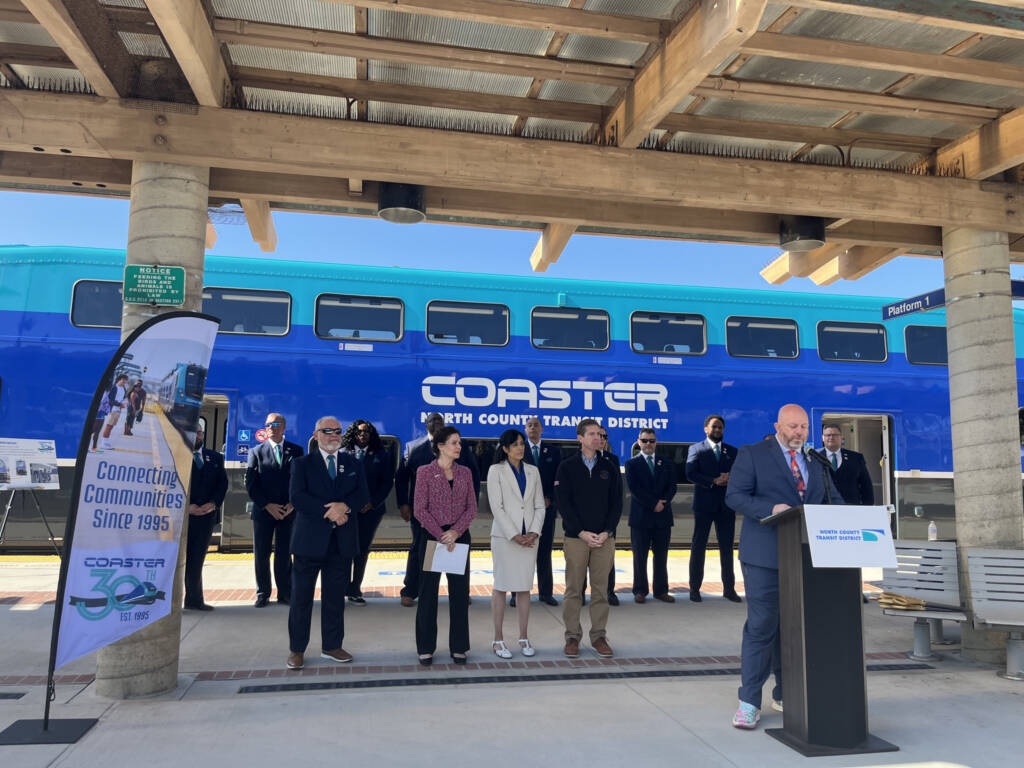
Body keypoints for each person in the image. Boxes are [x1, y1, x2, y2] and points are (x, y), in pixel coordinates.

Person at [725, 404, 841, 730]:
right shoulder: (753, 454)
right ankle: (748, 702)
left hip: (805, 557)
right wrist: (769, 508)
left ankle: (785, 692)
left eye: (804, 427)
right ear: (778, 425)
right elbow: (734, 496)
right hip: (764, 558)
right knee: (763, 627)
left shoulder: (816, 461)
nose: (798, 433)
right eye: (792, 426)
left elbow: (834, 500)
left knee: (793, 628)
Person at [286, 416, 369, 670]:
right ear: (316, 434)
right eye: (327, 431)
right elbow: (297, 497)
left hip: (341, 543)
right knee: (301, 599)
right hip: (308, 543)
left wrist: (345, 506)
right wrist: (329, 511)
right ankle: (297, 649)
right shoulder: (302, 464)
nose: (333, 435)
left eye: (337, 431)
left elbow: (363, 495)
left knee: (335, 598)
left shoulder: (353, 463)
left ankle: (332, 646)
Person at [395, 413, 479, 607]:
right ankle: (410, 590)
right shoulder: (413, 448)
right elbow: (401, 479)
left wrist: (469, 504)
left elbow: (473, 474)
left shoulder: (460, 447)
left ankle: (461, 591)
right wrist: (403, 504)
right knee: (418, 550)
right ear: (426, 425)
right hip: (424, 514)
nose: (436, 424)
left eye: (439, 421)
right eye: (432, 421)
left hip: (457, 516)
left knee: (459, 550)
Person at [557, 418, 622, 659]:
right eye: (592, 434)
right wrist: (582, 532)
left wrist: (606, 532)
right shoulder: (567, 466)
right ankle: (572, 637)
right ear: (580, 438)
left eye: (600, 435)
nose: (598, 438)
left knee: (600, 591)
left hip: (604, 539)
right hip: (576, 538)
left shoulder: (611, 466)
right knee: (574, 590)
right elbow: (564, 504)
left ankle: (599, 636)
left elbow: (617, 504)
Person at [413, 426, 477, 665]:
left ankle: (459, 646)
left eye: (459, 442)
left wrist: (456, 531)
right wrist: (441, 534)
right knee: (428, 594)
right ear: (440, 446)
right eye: (453, 442)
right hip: (433, 539)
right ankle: (425, 647)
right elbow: (420, 509)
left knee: (459, 594)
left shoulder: (466, 473)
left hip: (459, 538)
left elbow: (472, 507)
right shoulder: (424, 472)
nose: (458, 447)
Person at [487, 429, 545, 658]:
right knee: (501, 587)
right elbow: (496, 507)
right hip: (504, 538)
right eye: (515, 444)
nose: (520, 447)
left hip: (530, 540)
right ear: (505, 449)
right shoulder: (496, 471)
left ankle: (523, 637)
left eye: (522, 444)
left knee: (524, 588)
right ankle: (498, 639)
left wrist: (533, 532)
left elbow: (540, 505)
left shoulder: (533, 471)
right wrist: (514, 534)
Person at [245, 412, 303, 608]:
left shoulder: (296, 451)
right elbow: (251, 484)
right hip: (264, 512)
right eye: (268, 424)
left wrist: (292, 504)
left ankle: (285, 593)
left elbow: (301, 482)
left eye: (276, 424)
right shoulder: (256, 452)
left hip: (288, 511)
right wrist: (267, 505)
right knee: (261, 554)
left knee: (284, 554)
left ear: (284, 427)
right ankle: (263, 593)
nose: (271, 427)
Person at [685, 414, 741, 603]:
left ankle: (729, 589)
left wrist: (730, 478)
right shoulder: (696, 449)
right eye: (714, 427)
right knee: (698, 546)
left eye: (720, 428)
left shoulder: (732, 451)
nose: (717, 430)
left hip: (726, 506)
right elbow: (690, 473)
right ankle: (694, 589)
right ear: (706, 429)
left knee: (727, 548)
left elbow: (741, 474)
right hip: (703, 506)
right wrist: (713, 481)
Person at [341, 419, 393, 605]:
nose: (363, 435)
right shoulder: (343, 453)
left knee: (362, 550)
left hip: (371, 511)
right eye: (360, 432)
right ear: (354, 434)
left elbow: (387, 482)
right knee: (345, 549)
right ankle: (343, 587)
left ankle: (355, 588)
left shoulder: (381, 454)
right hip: (347, 511)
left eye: (367, 432)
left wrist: (372, 503)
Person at [624, 428, 676, 603]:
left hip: (663, 517)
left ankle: (661, 591)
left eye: (651, 441)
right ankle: (640, 590)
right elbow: (635, 489)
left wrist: (664, 502)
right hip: (641, 518)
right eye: (645, 440)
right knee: (640, 556)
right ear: (639, 442)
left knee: (661, 556)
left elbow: (672, 487)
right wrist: (653, 504)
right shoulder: (631, 464)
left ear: (656, 442)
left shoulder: (666, 462)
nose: (648, 444)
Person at [184, 422, 228, 611]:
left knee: (197, 559)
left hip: (206, 517)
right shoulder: (178, 457)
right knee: (176, 562)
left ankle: (194, 600)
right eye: (193, 433)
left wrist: (213, 504)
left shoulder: (216, 458)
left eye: (199, 433)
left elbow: (222, 484)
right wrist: (187, 507)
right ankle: (170, 602)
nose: (197, 436)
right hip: (183, 518)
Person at [518, 415, 560, 607]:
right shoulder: (518, 449)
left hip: (547, 509)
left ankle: (546, 593)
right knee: (522, 553)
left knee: (544, 552)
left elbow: (559, 479)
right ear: (525, 430)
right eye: (530, 425)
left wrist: (550, 497)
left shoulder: (553, 451)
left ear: (542, 429)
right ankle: (516, 593)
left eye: (536, 425)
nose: (533, 428)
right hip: (523, 510)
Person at [818, 423, 874, 505]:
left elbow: (866, 485)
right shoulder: (814, 457)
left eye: (835, 435)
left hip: (850, 508)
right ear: (823, 438)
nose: (831, 437)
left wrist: (868, 507)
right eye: (827, 435)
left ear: (841, 437)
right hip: (822, 508)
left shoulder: (856, 458)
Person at [91, 373, 128, 451]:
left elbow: (122, 398)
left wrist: (123, 404)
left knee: (111, 426)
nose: (124, 383)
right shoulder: (114, 388)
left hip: (118, 410)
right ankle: (103, 443)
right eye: (123, 381)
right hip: (112, 409)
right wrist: (119, 404)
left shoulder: (124, 388)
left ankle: (105, 442)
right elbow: (110, 400)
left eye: (125, 382)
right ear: (119, 379)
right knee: (107, 426)